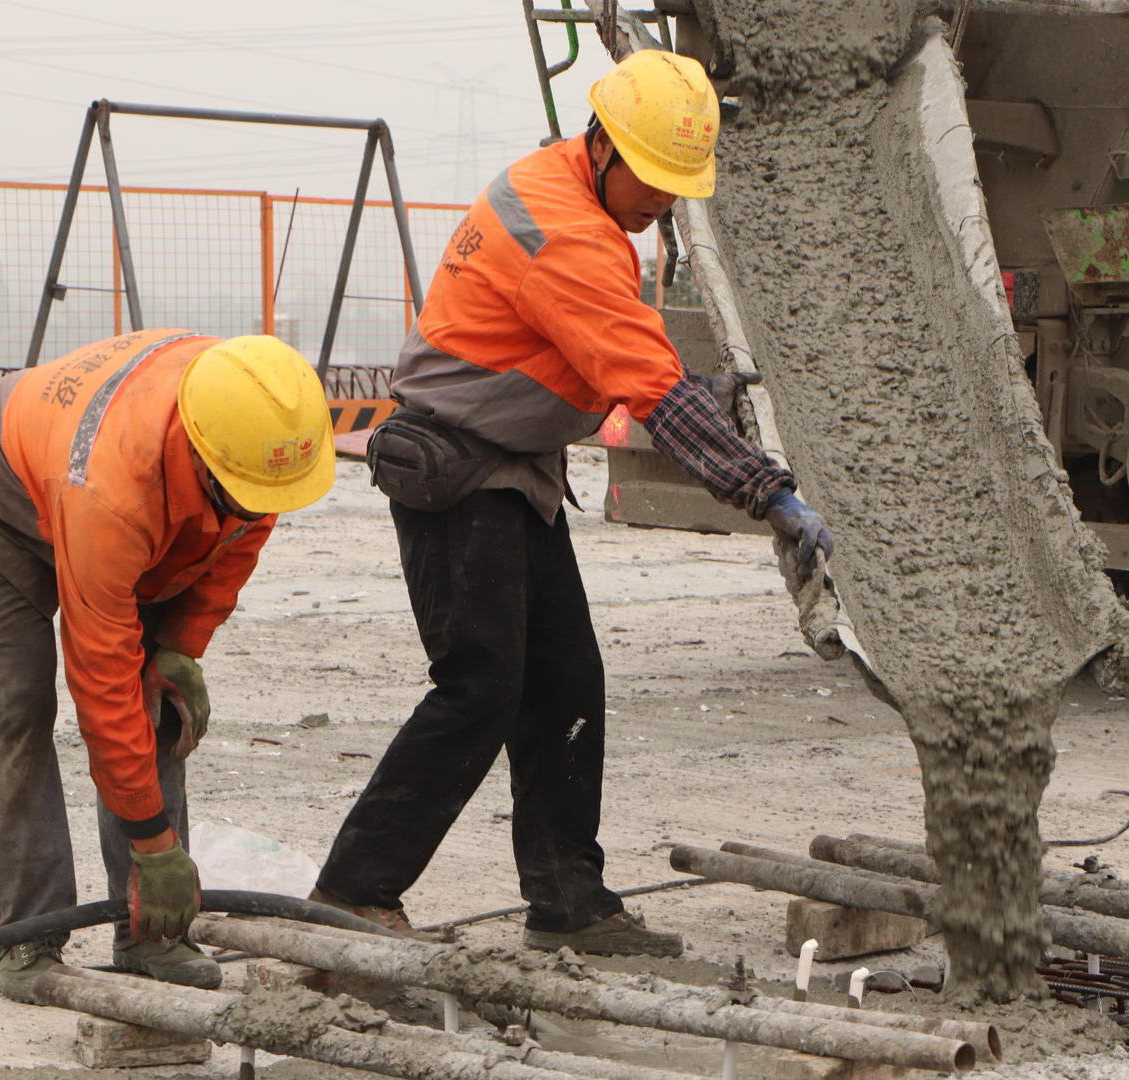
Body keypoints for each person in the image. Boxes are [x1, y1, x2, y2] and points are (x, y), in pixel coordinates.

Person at [310, 49, 834, 957]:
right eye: (656, 181)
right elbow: (646, 385)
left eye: (680, 187)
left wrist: (695, 389)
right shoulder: (571, 237)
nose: (665, 202)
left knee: (565, 684)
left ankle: (568, 901)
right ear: (603, 145)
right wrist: (768, 492)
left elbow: (588, 356)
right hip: (458, 470)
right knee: (481, 689)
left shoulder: (561, 189)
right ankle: (353, 891)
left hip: (514, 468)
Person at [0, 329, 335, 1002]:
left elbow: (236, 539)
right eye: (245, 494)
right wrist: (154, 841)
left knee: (158, 693)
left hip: (96, 484)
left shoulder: (249, 436)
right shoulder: (115, 491)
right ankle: (29, 933)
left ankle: (152, 930)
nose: (261, 510)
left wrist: (181, 646)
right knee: (19, 705)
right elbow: (101, 679)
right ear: (200, 453)